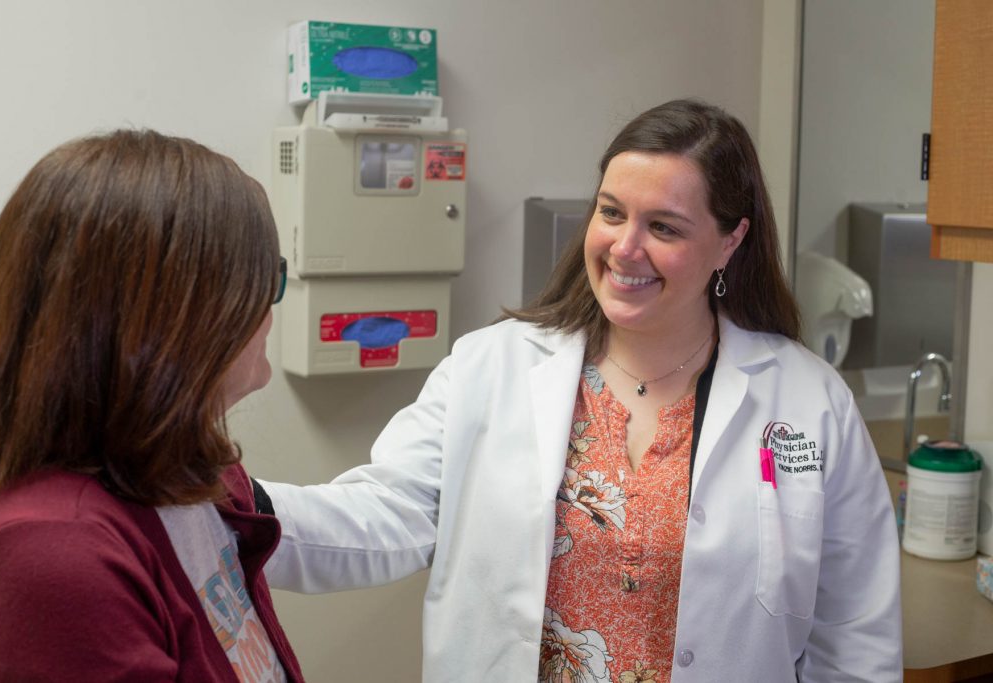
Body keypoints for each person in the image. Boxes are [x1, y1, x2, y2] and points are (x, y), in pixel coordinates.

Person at [260, 99, 902, 681]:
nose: (626, 248)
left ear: (730, 241)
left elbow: (854, 637)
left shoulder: (809, 403)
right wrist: (231, 508)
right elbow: (382, 515)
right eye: (612, 213)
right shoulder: (493, 366)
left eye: (665, 228)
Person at [0, 130, 303, 682]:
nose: (271, 309)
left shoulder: (187, 467)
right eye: (267, 280)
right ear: (180, 320)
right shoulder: (51, 558)